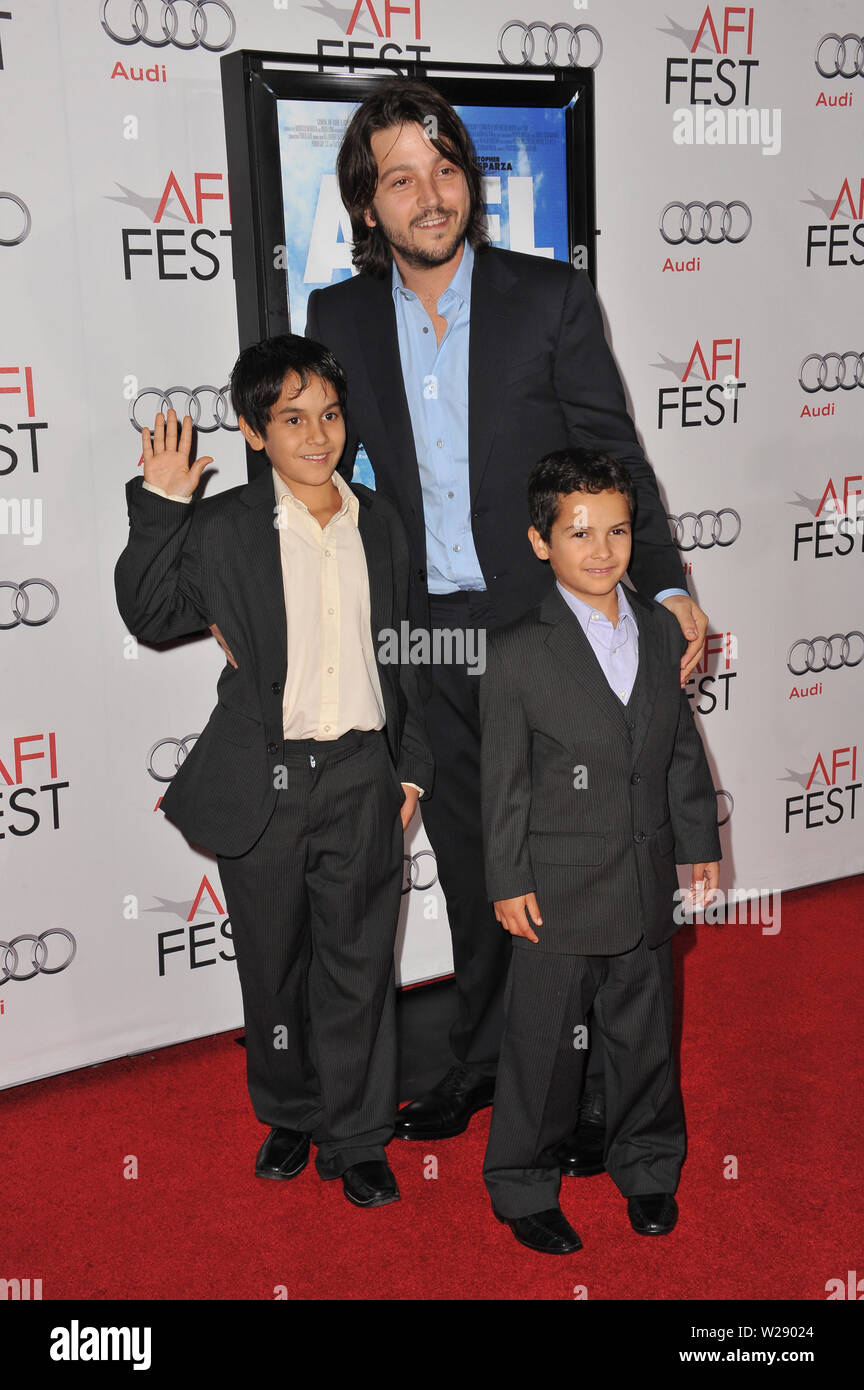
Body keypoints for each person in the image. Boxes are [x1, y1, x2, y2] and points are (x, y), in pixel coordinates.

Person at [305, 79, 708, 1162]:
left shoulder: (547, 298)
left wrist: (664, 583)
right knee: (481, 859)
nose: (429, 196)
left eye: (444, 171)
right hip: (428, 633)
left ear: (467, 181)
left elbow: (613, 453)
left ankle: (584, 1091)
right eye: (400, 179)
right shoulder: (336, 319)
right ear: (368, 202)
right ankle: (488, 1062)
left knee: (577, 865)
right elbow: (328, 484)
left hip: (544, 630)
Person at [114, 335, 433, 1209]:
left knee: (361, 964)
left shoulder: (383, 519)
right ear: (257, 433)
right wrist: (162, 506)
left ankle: (359, 1135)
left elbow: (408, 654)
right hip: (266, 780)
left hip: (365, 775)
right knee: (273, 964)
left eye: (328, 415)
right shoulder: (224, 530)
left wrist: (410, 773)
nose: (316, 435)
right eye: (292, 419)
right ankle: (291, 1113)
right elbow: (149, 614)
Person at [479, 449, 720, 1254]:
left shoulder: (660, 629)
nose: (602, 549)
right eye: (579, 533)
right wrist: (508, 878)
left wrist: (697, 842)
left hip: (645, 873)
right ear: (541, 542)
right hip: (556, 886)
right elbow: (503, 780)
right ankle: (520, 1182)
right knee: (542, 1049)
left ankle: (649, 1165)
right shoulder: (516, 650)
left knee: (645, 1035)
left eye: (617, 530)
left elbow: (677, 744)